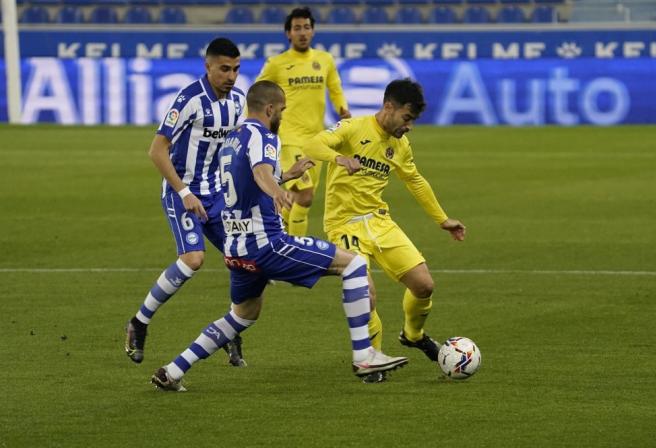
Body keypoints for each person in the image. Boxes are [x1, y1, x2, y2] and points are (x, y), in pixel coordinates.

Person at [151, 81, 407, 391]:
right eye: (282, 110)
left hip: (236, 247)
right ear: (270, 108)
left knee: (242, 315)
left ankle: (173, 370)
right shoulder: (265, 136)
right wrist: (278, 191)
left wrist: (286, 175)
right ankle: (364, 354)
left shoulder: (232, 139)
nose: (283, 116)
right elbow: (260, 174)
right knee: (353, 265)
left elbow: (245, 178)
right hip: (267, 244)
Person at [303, 78, 466, 383]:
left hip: (379, 222)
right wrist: (338, 157)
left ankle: (413, 335)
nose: (409, 127)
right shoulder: (353, 128)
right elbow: (312, 144)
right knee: (365, 294)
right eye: (407, 118)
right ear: (388, 107)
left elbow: (415, 181)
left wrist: (442, 219)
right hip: (344, 224)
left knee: (424, 285)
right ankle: (371, 361)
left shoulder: (400, 145)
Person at [124, 38, 246, 364]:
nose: (231, 76)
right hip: (182, 191)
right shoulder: (189, 99)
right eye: (224, 69)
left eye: (236, 69)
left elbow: (235, 151)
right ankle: (139, 322)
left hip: (217, 193)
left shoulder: (237, 102)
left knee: (244, 257)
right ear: (208, 67)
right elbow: (156, 150)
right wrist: (184, 192)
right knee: (193, 259)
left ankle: (229, 329)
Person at [255, 6, 350, 237]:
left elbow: (335, 88)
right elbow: (257, 91)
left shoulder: (324, 59)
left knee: (297, 200)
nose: (302, 32)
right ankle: (298, 253)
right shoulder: (277, 63)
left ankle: (277, 241)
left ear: (313, 31)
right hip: (288, 139)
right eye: (297, 28)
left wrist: (343, 110)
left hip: (316, 140)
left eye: (306, 27)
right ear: (288, 33)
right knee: (305, 195)